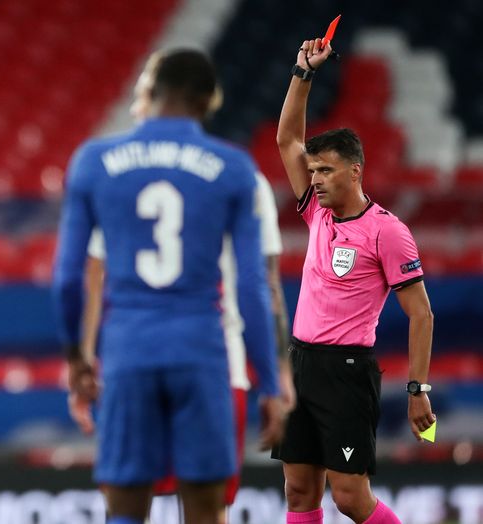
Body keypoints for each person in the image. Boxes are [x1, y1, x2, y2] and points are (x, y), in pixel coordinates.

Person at [54, 49, 284, 524]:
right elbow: (253, 286)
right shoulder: (233, 168)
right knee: (205, 509)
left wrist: (77, 358)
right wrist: (271, 381)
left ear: (150, 92)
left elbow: (69, 278)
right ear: (209, 101)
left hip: (128, 352)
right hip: (202, 352)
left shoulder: (94, 161)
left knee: (125, 508)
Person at [272, 37, 435, 523]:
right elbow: (287, 140)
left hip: (347, 372)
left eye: (326, 170)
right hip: (301, 364)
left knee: (349, 497)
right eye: (313, 170)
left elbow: (421, 313)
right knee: (299, 491)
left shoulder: (387, 231)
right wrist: (303, 72)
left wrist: (417, 388)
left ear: (356, 171)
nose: (316, 179)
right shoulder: (316, 214)